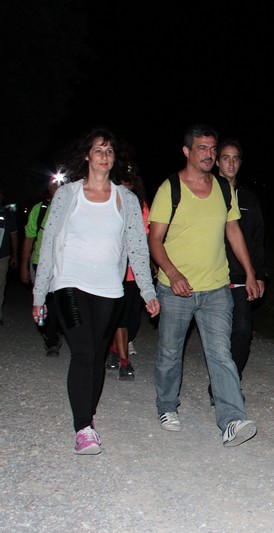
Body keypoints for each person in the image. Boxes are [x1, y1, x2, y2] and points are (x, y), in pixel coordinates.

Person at [31, 128, 160, 454]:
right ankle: (83, 428)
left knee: (97, 354)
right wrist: (39, 293)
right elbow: (49, 244)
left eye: (109, 151)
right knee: (84, 350)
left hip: (109, 289)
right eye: (98, 150)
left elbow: (137, 248)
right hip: (68, 284)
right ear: (87, 155)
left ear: (114, 159)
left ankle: (86, 416)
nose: (104, 156)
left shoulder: (126, 200)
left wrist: (147, 291)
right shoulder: (67, 195)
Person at [147, 124, 258, 447]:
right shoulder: (170, 188)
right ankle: (167, 406)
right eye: (202, 148)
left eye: (212, 149)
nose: (209, 154)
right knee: (170, 351)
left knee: (222, 354)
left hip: (217, 287)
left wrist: (250, 272)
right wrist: (173, 273)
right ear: (187, 151)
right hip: (175, 288)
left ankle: (232, 420)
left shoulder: (223, 188)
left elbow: (233, 231)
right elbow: (155, 239)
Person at [205, 138, 268, 406]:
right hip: (210, 276)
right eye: (226, 158)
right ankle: (224, 387)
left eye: (236, 158)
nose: (231, 163)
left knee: (242, 331)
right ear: (216, 162)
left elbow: (257, 239)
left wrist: (259, 274)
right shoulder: (205, 193)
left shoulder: (249, 199)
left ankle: (228, 382)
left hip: (241, 276)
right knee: (218, 334)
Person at [105, 169, 150, 380]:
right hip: (111, 269)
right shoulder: (108, 201)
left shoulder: (141, 206)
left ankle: (117, 350)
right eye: (123, 181)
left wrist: (151, 263)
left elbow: (146, 238)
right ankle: (121, 357)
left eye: (131, 182)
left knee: (130, 315)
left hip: (133, 271)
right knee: (116, 315)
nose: (127, 186)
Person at [20, 178, 63, 355]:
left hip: (65, 264)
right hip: (41, 262)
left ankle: (59, 330)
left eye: (61, 185)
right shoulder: (40, 209)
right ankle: (51, 339)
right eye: (54, 185)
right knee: (47, 302)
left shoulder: (73, 207)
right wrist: (24, 266)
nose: (57, 188)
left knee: (61, 302)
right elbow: (29, 237)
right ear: (49, 188)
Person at [0, 186, 19, 326]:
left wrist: (14, 256)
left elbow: (14, 235)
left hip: (3, 256)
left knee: (1, 285)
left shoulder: (8, 214)